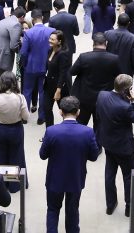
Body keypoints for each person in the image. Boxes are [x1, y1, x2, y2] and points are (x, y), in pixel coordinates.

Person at [40, 96, 101, 233]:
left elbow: (42, 155)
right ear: (78, 112)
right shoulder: (88, 132)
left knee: (53, 210)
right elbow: (93, 156)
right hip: (76, 178)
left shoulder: (51, 131)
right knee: (73, 210)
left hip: (55, 180)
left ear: (60, 112)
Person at [96, 75, 134, 217]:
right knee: (129, 177)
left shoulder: (102, 95)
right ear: (127, 90)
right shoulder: (125, 107)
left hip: (108, 142)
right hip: (124, 147)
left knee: (109, 174)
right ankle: (130, 207)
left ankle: (110, 204)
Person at [0, 73, 29, 192]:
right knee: (17, 156)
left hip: (0, 130)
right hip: (16, 130)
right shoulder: (20, 98)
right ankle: (15, 185)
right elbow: (26, 117)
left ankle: (0, 184)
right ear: (14, 83)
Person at [70, 33, 121, 127]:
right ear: (106, 43)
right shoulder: (114, 58)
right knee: (99, 126)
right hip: (103, 98)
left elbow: (72, 72)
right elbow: (119, 76)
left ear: (93, 43)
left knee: (81, 124)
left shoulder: (84, 57)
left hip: (84, 98)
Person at [20, 10, 55, 124]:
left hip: (30, 66)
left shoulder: (28, 33)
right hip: (46, 66)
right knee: (43, 91)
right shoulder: (51, 31)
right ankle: (42, 117)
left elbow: (23, 52)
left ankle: (25, 117)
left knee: (27, 91)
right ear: (42, 18)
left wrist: (23, 64)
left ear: (32, 20)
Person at [43, 30, 72, 128]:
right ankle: (50, 131)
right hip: (48, 85)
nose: (50, 40)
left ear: (59, 41)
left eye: (52, 39)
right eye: (50, 38)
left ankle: (66, 131)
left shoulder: (63, 54)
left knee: (65, 112)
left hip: (60, 87)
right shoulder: (50, 50)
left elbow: (63, 73)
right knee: (47, 109)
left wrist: (58, 90)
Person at [0, 7, 26, 81]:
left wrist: (24, 33)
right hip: (3, 59)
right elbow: (14, 46)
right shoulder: (16, 24)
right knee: (5, 81)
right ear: (22, 17)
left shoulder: (3, 21)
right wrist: (23, 50)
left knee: (1, 79)